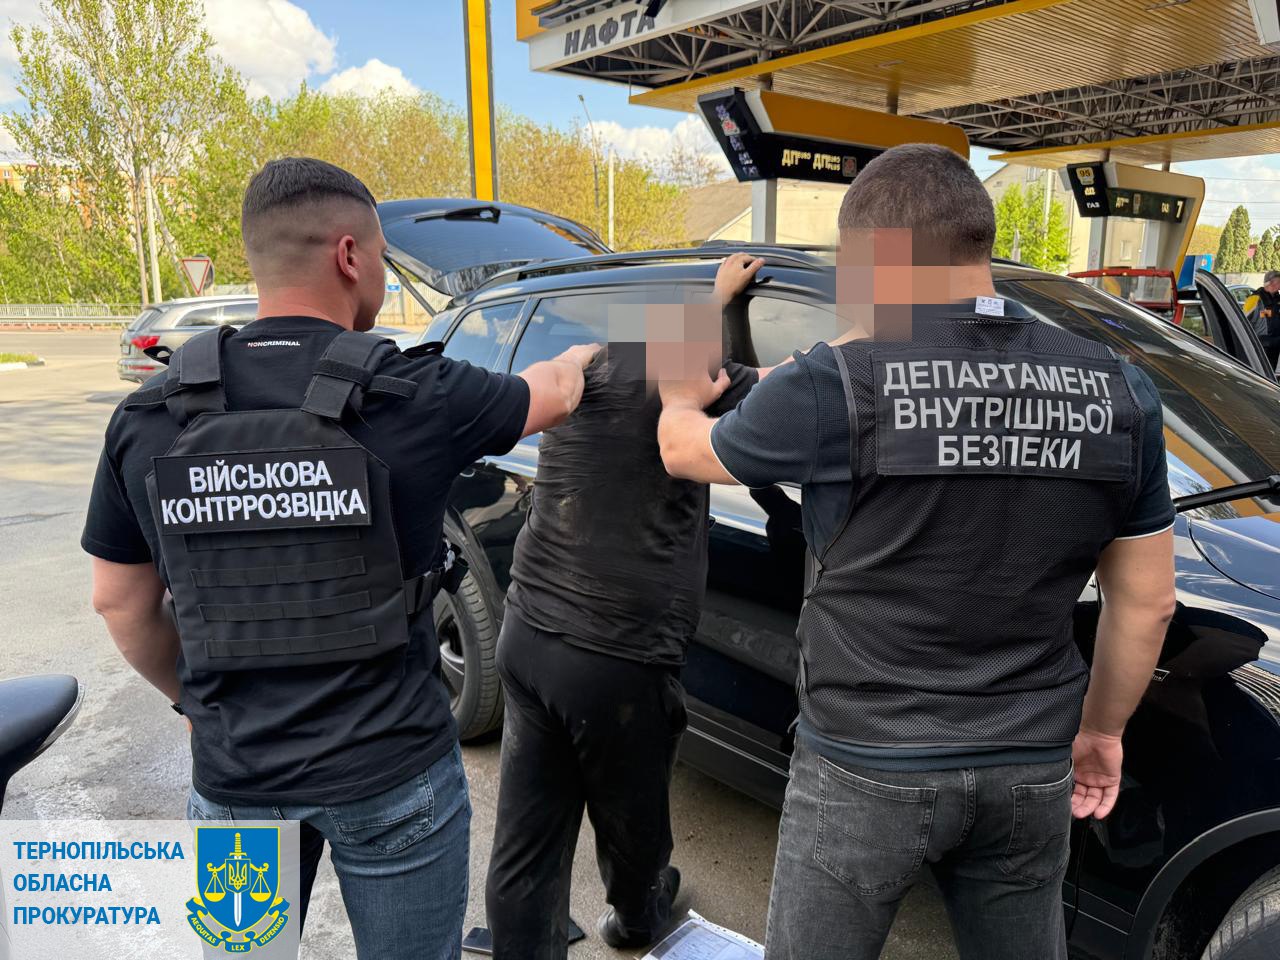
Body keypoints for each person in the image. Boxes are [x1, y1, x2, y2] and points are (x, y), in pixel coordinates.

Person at [656, 144, 1177, 960]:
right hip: (1029, 762)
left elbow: (683, 451)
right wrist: (1102, 732)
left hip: (864, 762)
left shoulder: (837, 383)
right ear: (977, 242)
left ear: (875, 259)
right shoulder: (1120, 388)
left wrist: (677, 392)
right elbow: (1147, 602)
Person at [82, 157, 597, 959]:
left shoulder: (148, 416)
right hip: (393, 773)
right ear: (350, 255)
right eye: (383, 257)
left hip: (237, 778)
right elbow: (554, 392)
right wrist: (593, 353)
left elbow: (119, 601)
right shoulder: (421, 395)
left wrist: (197, 703)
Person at [483, 264, 768, 960]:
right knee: (634, 820)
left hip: (528, 634)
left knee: (528, 833)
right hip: (615, 658)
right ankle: (635, 919)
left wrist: (717, 300)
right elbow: (804, 385)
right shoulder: (695, 378)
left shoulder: (589, 369)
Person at [1243, 269, 1280, 371]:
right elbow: (1243, 322)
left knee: (1271, 373)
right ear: (1270, 282)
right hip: (1261, 345)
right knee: (1260, 373)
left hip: (1275, 344)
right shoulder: (1254, 299)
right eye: (1278, 281)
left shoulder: (1277, 298)